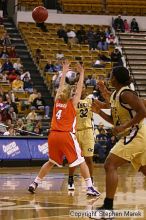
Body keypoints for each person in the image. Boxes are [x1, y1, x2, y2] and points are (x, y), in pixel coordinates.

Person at [28, 60, 100, 196]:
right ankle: (90, 187)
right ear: (71, 94)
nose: (75, 93)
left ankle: (35, 183)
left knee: (50, 162)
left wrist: (65, 71)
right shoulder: (73, 104)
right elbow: (79, 88)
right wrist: (82, 72)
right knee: (82, 161)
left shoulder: (56, 102)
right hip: (66, 135)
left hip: (53, 135)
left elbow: (61, 87)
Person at [91, 66, 146, 215]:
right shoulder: (116, 94)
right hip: (135, 134)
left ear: (116, 78)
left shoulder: (127, 94)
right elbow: (114, 120)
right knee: (144, 170)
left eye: (111, 75)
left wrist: (124, 127)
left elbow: (143, 112)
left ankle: (108, 208)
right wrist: (99, 111)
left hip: (137, 133)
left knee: (110, 164)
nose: (109, 77)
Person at [68, 85, 95, 190]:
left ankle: (90, 182)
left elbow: (104, 106)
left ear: (85, 89)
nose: (78, 88)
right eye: (76, 87)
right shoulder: (72, 101)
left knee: (89, 158)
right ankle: (70, 178)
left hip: (88, 131)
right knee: (73, 159)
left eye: (81, 87)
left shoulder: (90, 99)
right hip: (75, 132)